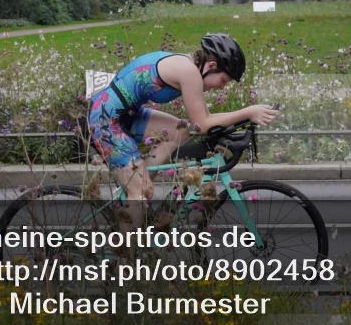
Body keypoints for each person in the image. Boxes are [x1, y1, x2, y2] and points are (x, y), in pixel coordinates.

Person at [87, 33, 279, 227]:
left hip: (126, 114)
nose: (221, 87)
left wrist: (241, 120)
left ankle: (138, 182)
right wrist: (248, 112)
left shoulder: (189, 66)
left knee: (180, 131)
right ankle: (125, 255)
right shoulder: (189, 72)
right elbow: (202, 124)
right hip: (105, 120)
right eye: (223, 80)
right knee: (140, 192)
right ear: (211, 66)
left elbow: (206, 120)